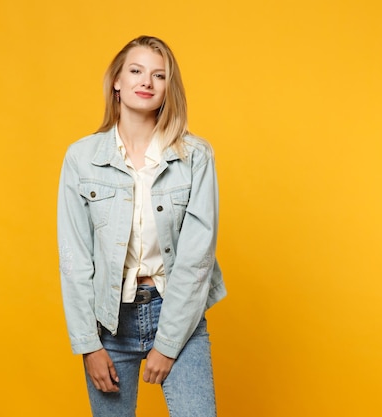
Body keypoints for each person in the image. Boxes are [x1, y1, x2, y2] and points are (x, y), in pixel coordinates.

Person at [57, 35, 227, 417]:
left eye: (158, 75)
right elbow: (74, 260)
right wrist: (88, 344)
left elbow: (197, 258)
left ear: (168, 88)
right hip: (108, 322)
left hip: (178, 313)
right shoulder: (82, 158)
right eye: (136, 71)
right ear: (116, 81)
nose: (146, 82)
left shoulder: (195, 157)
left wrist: (168, 343)